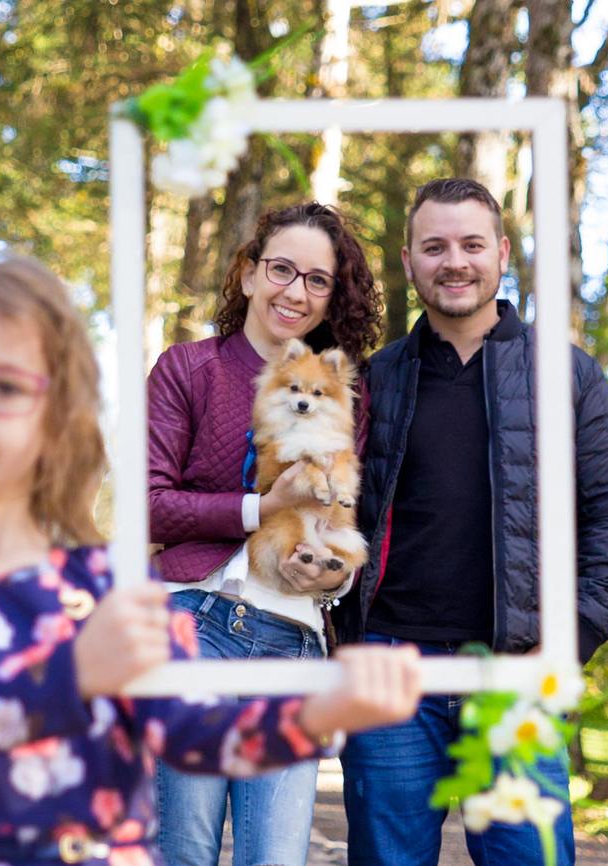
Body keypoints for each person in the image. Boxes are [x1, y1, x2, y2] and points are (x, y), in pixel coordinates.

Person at [0, 255, 423, 866]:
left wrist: (319, 713)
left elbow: (195, 736)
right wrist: (79, 673)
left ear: (56, 416)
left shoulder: (107, 584)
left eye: (3, 387)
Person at [331, 178, 608, 866]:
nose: (455, 261)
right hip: (390, 671)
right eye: (434, 246)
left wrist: (573, 638)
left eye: (472, 244)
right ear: (409, 261)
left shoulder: (568, 377)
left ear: (502, 253)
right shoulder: (372, 382)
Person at [147, 202, 383, 866]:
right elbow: (149, 504)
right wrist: (259, 507)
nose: (296, 292)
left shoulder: (342, 398)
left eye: (317, 280)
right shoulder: (187, 369)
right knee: (186, 850)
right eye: (282, 269)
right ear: (248, 275)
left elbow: (344, 523)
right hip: (196, 623)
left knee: (275, 859)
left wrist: (336, 576)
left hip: (294, 643)